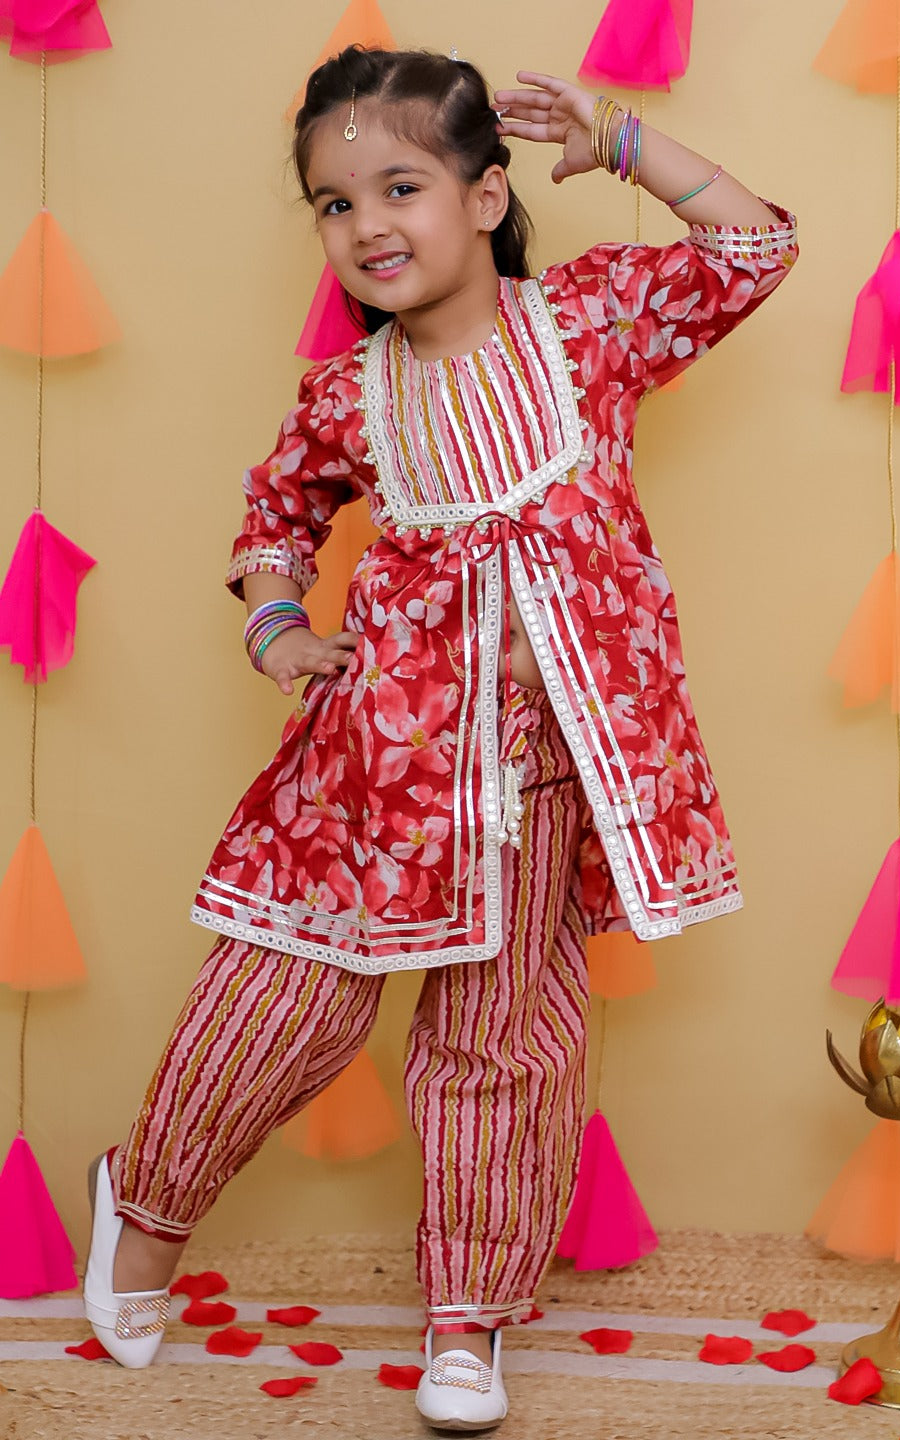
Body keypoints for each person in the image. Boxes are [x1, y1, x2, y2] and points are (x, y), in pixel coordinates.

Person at [82, 45, 797, 1430]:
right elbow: (276, 517)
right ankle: (148, 1208)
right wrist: (276, 628)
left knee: (502, 1040)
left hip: (538, 769)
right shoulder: (347, 397)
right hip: (380, 765)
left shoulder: (589, 324)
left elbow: (754, 250)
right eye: (334, 204)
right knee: (283, 1002)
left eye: (400, 186)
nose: (367, 225)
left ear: (486, 195)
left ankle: (468, 1315)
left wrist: (626, 140)